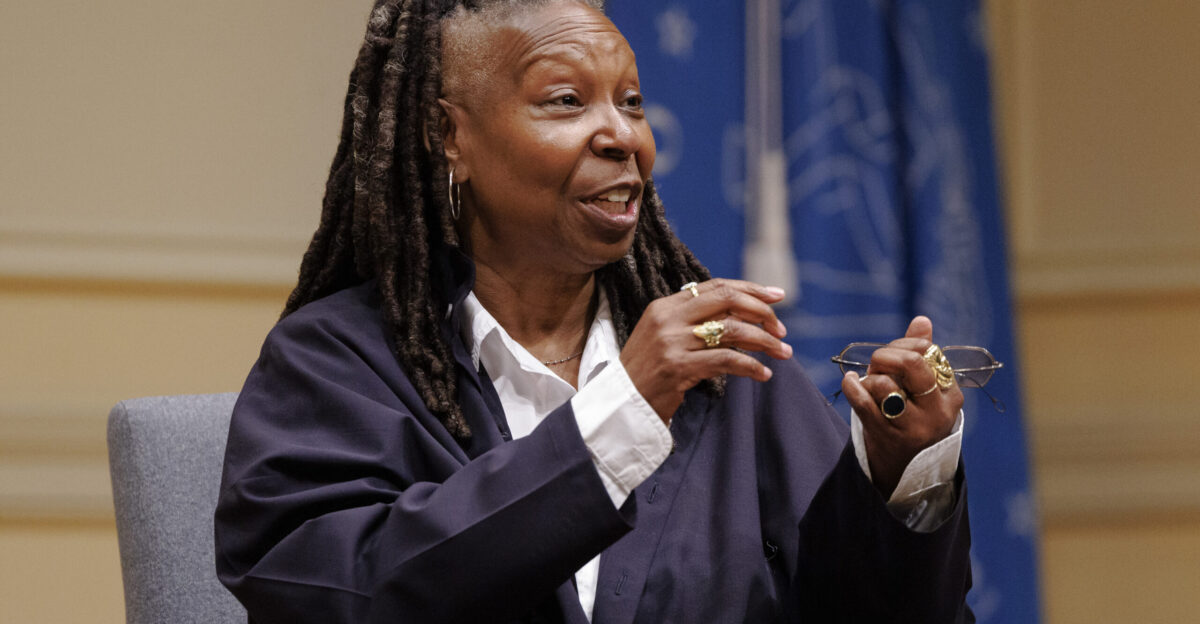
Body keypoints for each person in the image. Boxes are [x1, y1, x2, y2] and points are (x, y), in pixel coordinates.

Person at [214, 0, 974, 622]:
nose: (622, 137)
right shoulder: (336, 366)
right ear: (448, 136)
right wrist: (622, 410)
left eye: (632, 102)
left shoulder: (724, 369)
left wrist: (906, 476)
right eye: (566, 101)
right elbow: (336, 600)